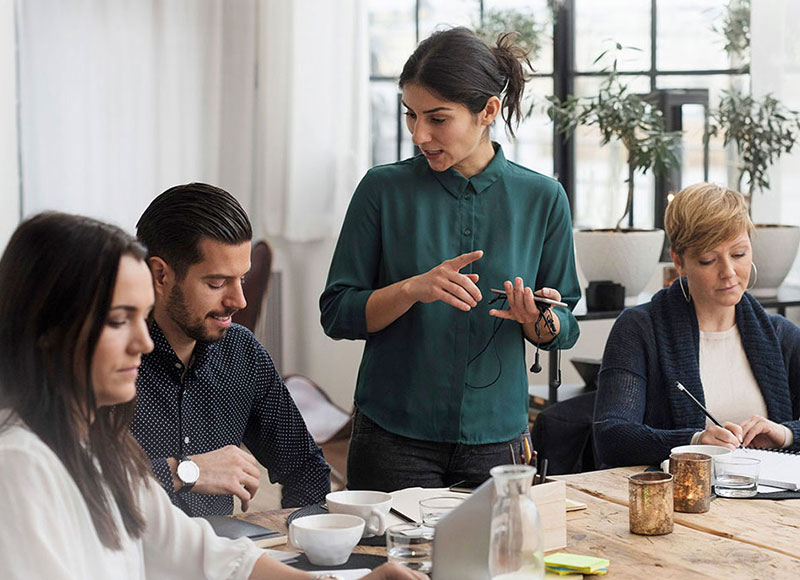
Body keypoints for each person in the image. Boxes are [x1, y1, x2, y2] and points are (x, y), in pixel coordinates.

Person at [0, 212, 426, 580]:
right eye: (118, 321)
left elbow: (203, 553)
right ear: (48, 333)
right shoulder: (19, 465)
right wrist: (185, 471)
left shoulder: (101, 446)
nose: (142, 343)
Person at [320, 27, 580, 491]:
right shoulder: (381, 191)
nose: (420, 134)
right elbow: (337, 313)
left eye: (437, 118)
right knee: (387, 563)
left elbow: (562, 327)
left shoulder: (544, 198)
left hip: (499, 443)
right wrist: (410, 289)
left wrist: (536, 319)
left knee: (495, 565)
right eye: (411, 115)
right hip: (392, 438)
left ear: (488, 111)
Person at [131, 183, 330, 516]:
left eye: (241, 278)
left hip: (221, 560)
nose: (239, 301)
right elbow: (78, 493)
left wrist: (302, 544)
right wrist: (186, 471)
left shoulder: (242, 352)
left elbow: (305, 469)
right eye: (216, 283)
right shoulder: (108, 362)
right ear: (160, 275)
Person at [594, 183, 800, 468]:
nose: (728, 272)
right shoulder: (639, 330)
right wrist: (692, 442)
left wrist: (787, 434)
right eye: (708, 260)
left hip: (766, 506)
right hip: (676, 504)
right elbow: (610, 437)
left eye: (739, 254)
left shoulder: (781, 336)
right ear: (679, 261)